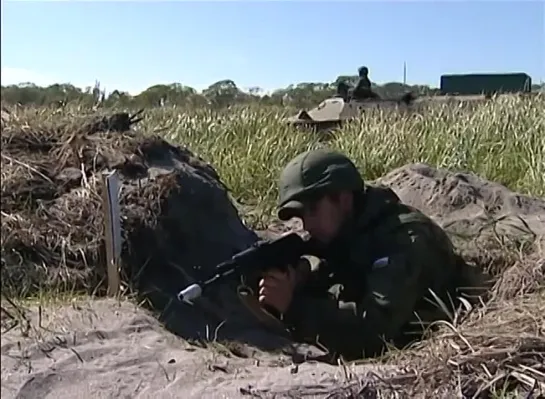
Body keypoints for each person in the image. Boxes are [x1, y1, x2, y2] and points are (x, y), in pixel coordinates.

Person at [257, 149, 487, 361]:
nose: (307, 225)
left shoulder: (404, 241)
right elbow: (345, 279)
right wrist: (302, 279)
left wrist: (294, 307)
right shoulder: (348, 231)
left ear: (343, 199)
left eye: (313, 210)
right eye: (301, 215)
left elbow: (375, 334)